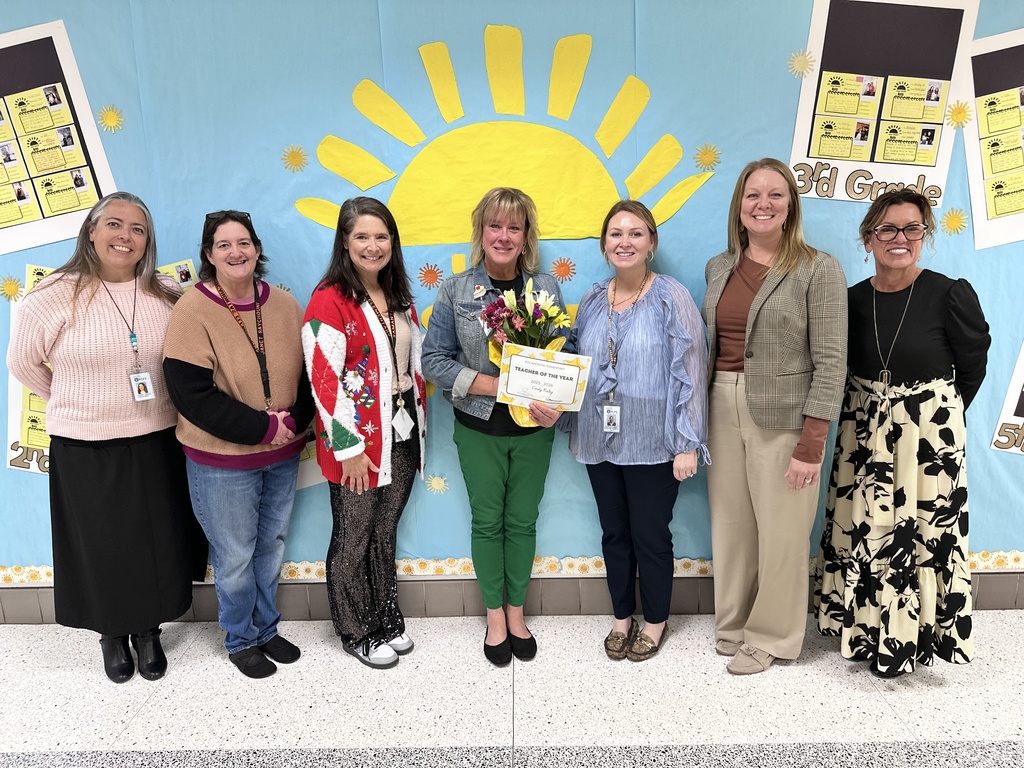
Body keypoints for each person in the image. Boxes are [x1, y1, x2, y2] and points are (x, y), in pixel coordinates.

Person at [7, 192, 205, 684]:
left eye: (138, 229)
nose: (125, 236)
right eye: (114, 224)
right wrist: (77, 401)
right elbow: (22, 363)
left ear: (147, 241)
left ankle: (149, 630)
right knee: (102, 544)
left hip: (158, 438)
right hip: (85, 444)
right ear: (91, 232)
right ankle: (112, 634)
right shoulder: (54, 293)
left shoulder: (164, 294)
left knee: (158, 541)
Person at [815, 189, 990, 678]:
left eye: (912, 228)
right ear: (868, 237)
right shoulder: (850, 300)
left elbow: (971, 366)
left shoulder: (949, 292)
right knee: (865, 527)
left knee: (923, 535)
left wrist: (931, 417)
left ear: (924, 235)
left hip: (929, 441)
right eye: (888, 228)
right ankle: (868, 631)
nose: (900, 238)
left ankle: (921, 637)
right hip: (862, 431)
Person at [702, 158, 848, 675]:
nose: (763, 204)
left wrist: (811, 443)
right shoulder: (719, 267)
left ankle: (773, 637)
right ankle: (734, 624)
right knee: (732, 523)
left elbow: (831, 361)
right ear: (739, 208)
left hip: (787, 415)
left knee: (783, 530)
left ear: (791, 206)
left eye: (775, 195)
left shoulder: (817, 267)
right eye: (752, 195)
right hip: (721, 401)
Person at [422, 187, 569, 666]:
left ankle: (517, 612)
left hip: (534, 430)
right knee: (488, 522)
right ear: (481, 231)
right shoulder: (456, 289)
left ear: (526, 236)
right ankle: (493, 617)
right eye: (495, 226)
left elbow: (564, 357)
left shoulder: (544, 287)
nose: (503, 236)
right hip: (478, 427)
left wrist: (557, 404)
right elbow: (432, 361)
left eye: (514, 227)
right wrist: (494, 384)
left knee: (523, 522)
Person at [163, 210, 313, 679]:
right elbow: (191, 394)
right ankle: (240, 638)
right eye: (224, 244)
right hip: (221, 461)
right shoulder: (192, 308)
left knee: (270, 545)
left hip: (283, 455)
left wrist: (293, 421)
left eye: (244, 242)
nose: (236, 252)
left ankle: (266, 630)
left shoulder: (285, 304)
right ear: (209, 254)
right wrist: (263, 428)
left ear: (257, 249)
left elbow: (314, 376)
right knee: (234, 556)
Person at [562, 200, 708, 662]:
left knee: (650, 535)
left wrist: (686, 442)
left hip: (654, 442)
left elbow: (691, 369)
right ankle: (621, 617)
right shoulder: (590, 298)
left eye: (636, 233)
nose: (625, 241)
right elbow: (571, 362)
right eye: (616, 234)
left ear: (651, 243)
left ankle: (655, 621)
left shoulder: (671, 295)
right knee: (613, 534)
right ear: (604, 245)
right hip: (598, 437)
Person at [302, 197, 427, 669]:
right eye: (362, 237)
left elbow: (406, 363)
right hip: (357, 439)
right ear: (345, 242)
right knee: (353, 535)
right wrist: (349, 447)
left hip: (402, 429)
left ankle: (386, 619)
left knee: (384, 529)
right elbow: (323, 377)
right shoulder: (328, 298)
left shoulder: (398, 293)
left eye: (381, 236)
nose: (373, 246)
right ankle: (356, 630)